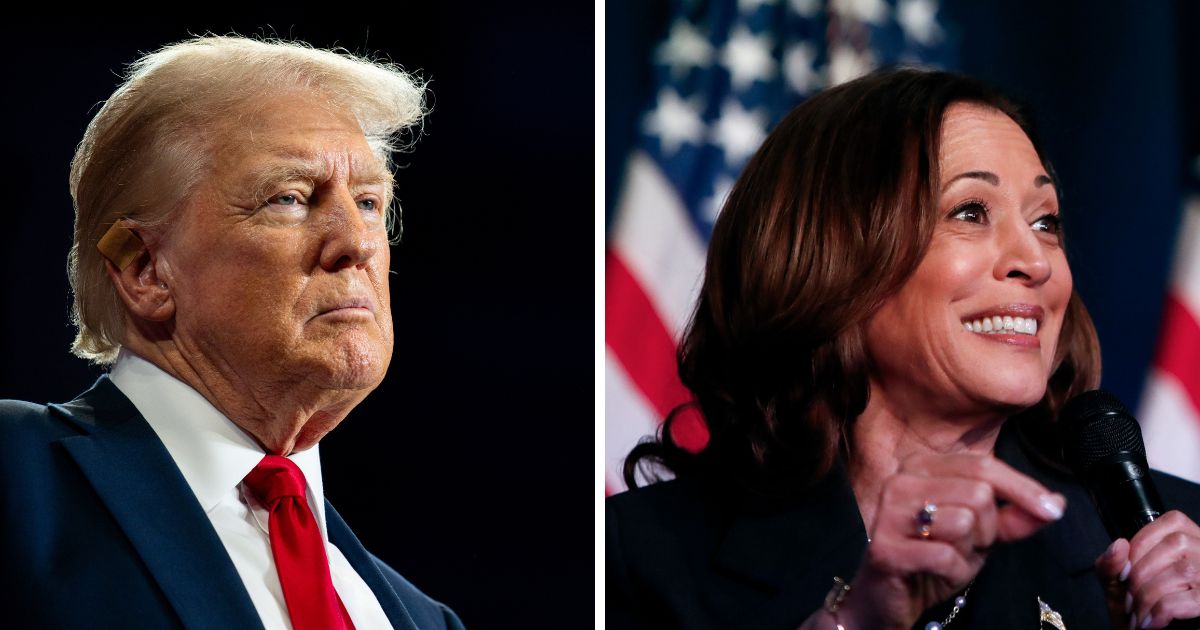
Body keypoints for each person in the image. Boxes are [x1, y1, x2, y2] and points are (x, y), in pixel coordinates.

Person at [606, 68, 1200, 630]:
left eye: (1046, 221)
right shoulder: (637, 560)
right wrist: (858, 619)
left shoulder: (1173, 545)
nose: (1037, 261)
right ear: (833, 260)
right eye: (970, 212)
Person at [0, 36, 463, 629]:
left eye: (370, 202)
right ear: (146, 271)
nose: (358, 243)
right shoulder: (17, 480)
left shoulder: (425, 620)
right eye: (290, 198)